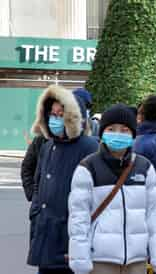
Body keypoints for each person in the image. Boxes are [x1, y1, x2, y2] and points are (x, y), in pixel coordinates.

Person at [68, 104, 156, 274]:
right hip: (100, 259)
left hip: (136, 259)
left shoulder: (144, 167)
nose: (118, 134)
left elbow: (154, 214)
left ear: (132, 134)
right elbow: (79, 217)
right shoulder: (87, 167)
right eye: (111, 128)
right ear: (102, 132)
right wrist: (80, 258)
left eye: (124, 130)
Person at [27, 85, 99, 274]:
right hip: (45, 234)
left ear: (73, 116)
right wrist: (36, 211)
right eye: (52, 113)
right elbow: (38, 182)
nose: (55, 119)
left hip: (73, 238)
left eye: (60, 114)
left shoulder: (90, 146)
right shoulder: (48, 146)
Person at [21, 135, 47, 202]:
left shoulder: (76, 143)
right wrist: (32, 194)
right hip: (40, 203)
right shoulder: (40, 140)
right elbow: (26, 168)